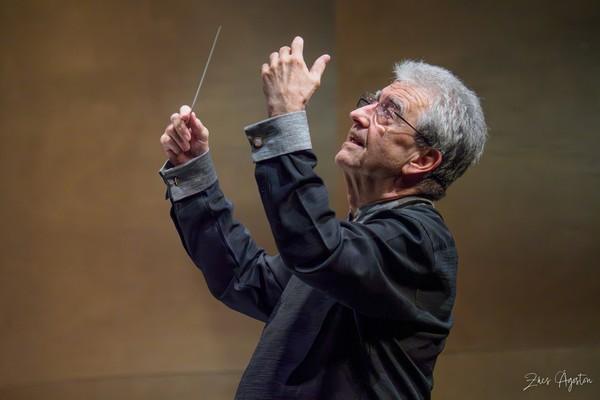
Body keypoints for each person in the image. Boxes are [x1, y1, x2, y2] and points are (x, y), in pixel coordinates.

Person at [158, 36, 486, 400]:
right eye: (372, 101)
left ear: (421, 161)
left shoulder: (419, 241)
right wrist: (193, 172)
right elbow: (247, 279)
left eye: (389, 112)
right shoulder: (354, 242)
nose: (359, 114)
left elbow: (317, 249)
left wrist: (286, 115)